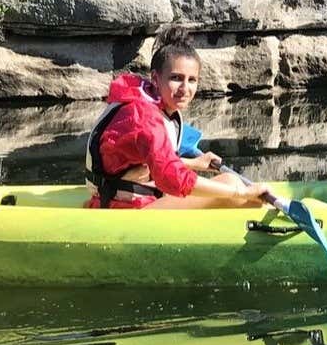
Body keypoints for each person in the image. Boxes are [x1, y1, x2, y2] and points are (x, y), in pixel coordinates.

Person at [85, 27, 273, 209]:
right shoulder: (144, 117)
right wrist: (240, 194)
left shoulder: (151, 103)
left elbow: (153, 160)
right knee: (235, 188)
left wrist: (195, 164)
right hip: (123, 206)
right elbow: (171, 177)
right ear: (156, 79)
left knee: (231, 183)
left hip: (127, 194)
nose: (185, 89)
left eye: (192, 80)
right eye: (176, 78)